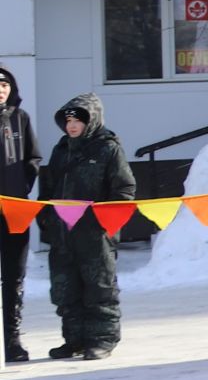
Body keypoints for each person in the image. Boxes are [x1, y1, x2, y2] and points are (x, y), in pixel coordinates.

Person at [37, 91, 131, 361]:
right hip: (63, 233)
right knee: (65, 288)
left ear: (92, 120)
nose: (72, 126)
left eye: (78, 120)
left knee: (99, 287)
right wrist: (47, 219)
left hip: (95, 234)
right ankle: (74, 340)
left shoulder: (108, 148)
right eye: (68, 121)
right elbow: (49, 188)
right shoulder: (61, 149)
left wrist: (104, 221)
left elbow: (124, 189)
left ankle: (102, 340)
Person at [0, 67, 38, 363]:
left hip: (15, 209)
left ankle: (13, 342)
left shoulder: (20, 118)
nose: (1, 89)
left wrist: (22, 188)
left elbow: (33, 158)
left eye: (5, 84)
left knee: (14, 276)